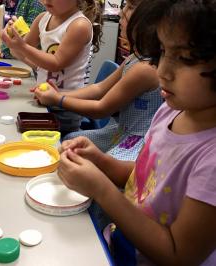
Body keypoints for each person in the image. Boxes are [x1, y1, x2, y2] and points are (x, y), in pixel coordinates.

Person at [58, 0, 216, 265]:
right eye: (163, 52)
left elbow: (179, 255)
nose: (163, 71)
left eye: (185, 59)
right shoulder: (170, 112)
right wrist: (101, 161)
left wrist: (101, 189)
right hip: (121, 245)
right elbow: (147, 177)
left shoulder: (211, 159)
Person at [34, 0, 162, 161]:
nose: (121, 13)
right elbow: (99, 88)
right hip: (119, 131)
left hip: (136, 142)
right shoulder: (134, 58)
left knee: (72, 157)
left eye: (130, 7)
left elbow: (102, 109)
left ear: (152, 21)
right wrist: (58, 92)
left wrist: (58, 99)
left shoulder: (144, 69)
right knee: (68, 141)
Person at [1, 0, 103, 134]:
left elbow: (56, 63)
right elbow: (23, 49)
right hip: (43, 99)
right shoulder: (42, 18)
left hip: (66, 106)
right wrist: (14, 35)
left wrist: (22, 46)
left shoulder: (79, 25)